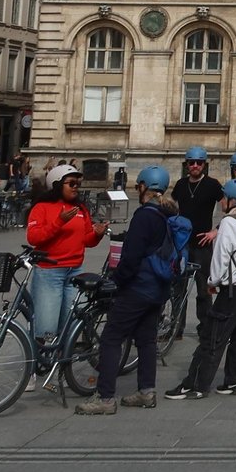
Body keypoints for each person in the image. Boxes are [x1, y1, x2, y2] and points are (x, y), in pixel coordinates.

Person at [76, 166, 178, 415]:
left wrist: (117, 280)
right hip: (158, 289)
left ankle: (106, 397)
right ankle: (146, 392)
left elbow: (131, 258)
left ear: (143, 186)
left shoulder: (144, 216)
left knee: (111, 338)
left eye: (138, 186)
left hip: (138, 287)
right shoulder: (166, 215)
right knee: (146, 340)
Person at [167, 179, 236, 400]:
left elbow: (221, 258)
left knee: (213, 337)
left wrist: (213, 282)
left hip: (232, 289)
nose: (221, 201)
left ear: (234, 200)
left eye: (225, 197)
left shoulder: (230, 223)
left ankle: (195, 384)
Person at [26, 164, 104, 390]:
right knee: (45, 327)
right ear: (57, 185)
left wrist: (97, 234)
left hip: (74, 272)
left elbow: (86, 239)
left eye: (78, 184)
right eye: (71, 184)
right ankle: (32, 370)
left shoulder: (81, 208)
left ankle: (60, 369)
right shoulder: (42, 207)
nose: (76, 188)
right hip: (49, 271)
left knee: (68, 326)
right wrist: (59, 221)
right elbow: (34, 237)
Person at [172, 146, 223, 337]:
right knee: (179, 288)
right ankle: (176, 327)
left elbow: (230, 210)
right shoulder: (180, 185)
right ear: (186, 165)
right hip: (182, 244)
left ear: (204, 165)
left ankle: (206, 328)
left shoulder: (212, 185)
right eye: (191, 163)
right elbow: (172, 207)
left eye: (198, 163)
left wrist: (215, 231)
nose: (194, 166)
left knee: (204, 289)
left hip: (203, 245)